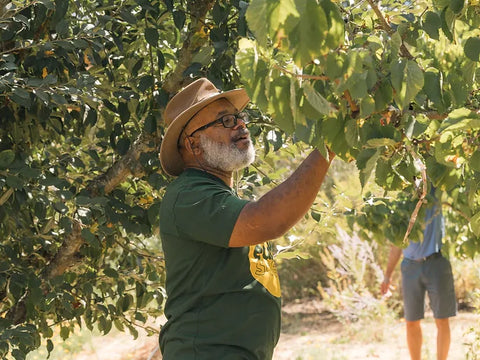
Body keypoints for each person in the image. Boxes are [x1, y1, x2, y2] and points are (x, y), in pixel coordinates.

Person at [158, 77, 334, 359]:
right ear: (193, 145)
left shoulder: (220, 195)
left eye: (238, 117)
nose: (240, 125)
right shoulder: (188, 196)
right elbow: (267, 221)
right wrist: (329, 144)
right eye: (224, 120)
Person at [380, 187, 457, 360]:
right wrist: (387, 275)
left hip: (436, 263)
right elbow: (396, 245)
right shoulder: (401, 203)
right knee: (411, 321)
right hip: (410, 267)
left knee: (442, 319)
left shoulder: (433, 192)